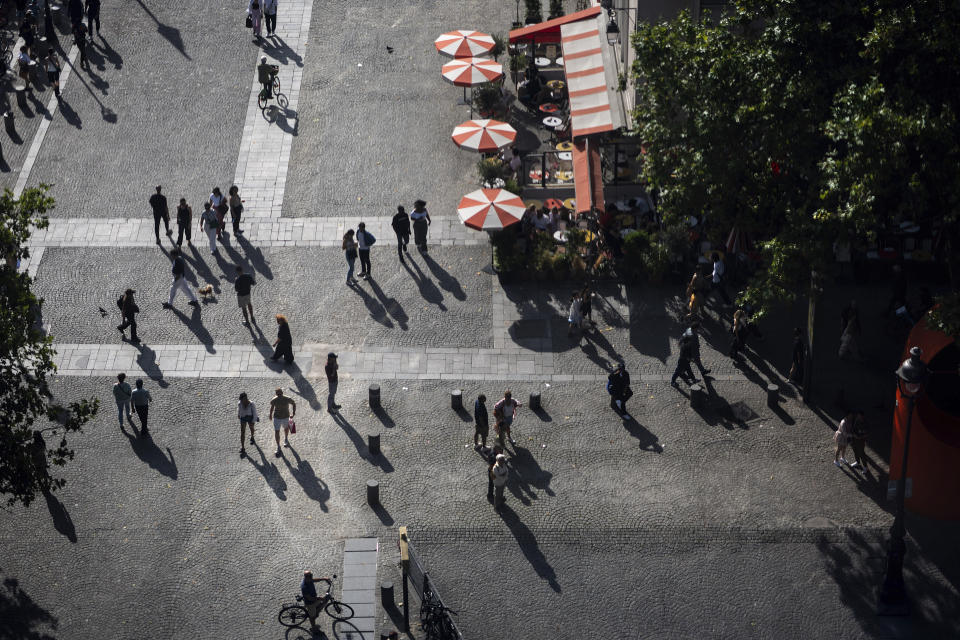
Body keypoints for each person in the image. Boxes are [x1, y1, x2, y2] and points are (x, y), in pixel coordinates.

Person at [269, 387, 296, 456]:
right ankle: (279, 446)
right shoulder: (275, 400)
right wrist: (270, 414)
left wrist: (293, 413)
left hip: (284, 417)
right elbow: (272, 407)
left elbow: (294, 403)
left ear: (282, 393)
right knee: (277, 431)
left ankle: (285, 439)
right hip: (278, 417)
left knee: (285, 429)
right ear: (277, 394)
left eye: (280, 393)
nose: (279, 395)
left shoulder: (286, 399)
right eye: (278, 394)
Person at [238, 392, 259, 458]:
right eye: (240, 399)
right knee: (242, 432)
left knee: (251, 428)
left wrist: (253, 420)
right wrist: (239, 414)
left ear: (245, 398)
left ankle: (252, 437)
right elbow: (239, 409)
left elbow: (255, 413)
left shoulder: (251, 404)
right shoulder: (240, 403)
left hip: (250, 417)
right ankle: (243, 447)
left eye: (242, 399)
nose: (241, 401)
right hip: (243, 418)